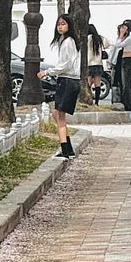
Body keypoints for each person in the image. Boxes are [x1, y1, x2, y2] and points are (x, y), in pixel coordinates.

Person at [42, 12, 80, 158]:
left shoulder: (68, 42)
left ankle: (65, 149)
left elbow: (65, 65)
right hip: (68, 81)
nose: (60, 27)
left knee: (59, 116)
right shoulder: (66, 41)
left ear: (69, 26)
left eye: (63, 24)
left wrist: (47, 72)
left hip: (67, 81)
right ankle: (68, 148)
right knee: (57, 115)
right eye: (58, 24)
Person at [114, 19, 131, 111]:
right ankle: (130, 105)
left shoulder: (130, 37)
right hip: (127, 60)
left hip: (127, 61)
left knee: (126, 85)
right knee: (126, 85)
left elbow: (117, 45)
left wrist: (120, 35)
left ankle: (129, 106)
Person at [86, 23, 106, 102]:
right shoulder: (100, 38)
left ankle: (88, 99)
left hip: (89, 64)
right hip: (98, 64)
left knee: (88, 84)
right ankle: (97, 102)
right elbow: (110, 44)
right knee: (97, 84)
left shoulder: (87, 39)